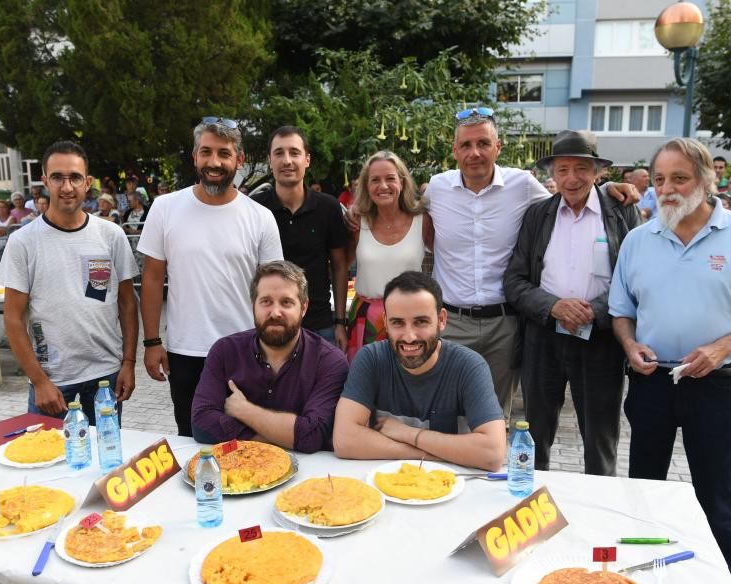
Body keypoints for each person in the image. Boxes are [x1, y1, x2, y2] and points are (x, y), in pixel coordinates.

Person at [609, 137, 731, 580]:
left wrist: (720, 348)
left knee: (715, 489)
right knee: (644, 486)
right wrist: (630, 346)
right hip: (651, 381)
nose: (667, 189)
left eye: (680, 178)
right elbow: (621, 313)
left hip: (716, 384)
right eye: (661, 179)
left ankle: (721, 579)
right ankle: (638, 570)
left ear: (707, 181)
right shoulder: (637, 240)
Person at [422, 108, 638, 419]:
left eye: (483, 143)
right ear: (454, 150)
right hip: (451, 323)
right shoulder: (437, 188)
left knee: (492, 420)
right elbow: (395, 206)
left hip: (504, 326)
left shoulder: (522, 184)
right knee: (443, 414)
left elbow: (569, 195)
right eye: (466, 145)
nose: (475, 153)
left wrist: (605, 189)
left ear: (498, 147)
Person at [504, 131, 639, 476]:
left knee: (600, 438)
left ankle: (597, 513)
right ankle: (532, 507)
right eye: (562, 169)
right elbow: (515, 281)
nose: (571, 178)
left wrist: (594, 310)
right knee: (535, 435)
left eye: (581, 168)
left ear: (597, 172)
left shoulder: (622, 213)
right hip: (544, 339)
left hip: (601, 342)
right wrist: (552, 306)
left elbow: (638, 279)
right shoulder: (538, 215)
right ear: (552, 173)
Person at [138, 117, 283, 436]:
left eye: (224, 153)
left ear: (239, 160)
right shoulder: (165, 208)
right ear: (194, 157)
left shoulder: (260, 218)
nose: (214, 162)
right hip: (186, 352)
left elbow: (275, 289)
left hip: (247, 352)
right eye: (206, 152)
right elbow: (151, 278)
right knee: (192, 439)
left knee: (249, 441)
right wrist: (151, 342)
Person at [0, 140, 139, 424]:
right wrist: (39, 381)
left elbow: (126, 303)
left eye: (75, 177)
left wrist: (128, 363)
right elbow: (13, 318)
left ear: (87, 182)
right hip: (54, 383)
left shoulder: (111, 235)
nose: (67, 187)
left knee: (106, 462)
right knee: (46, 464)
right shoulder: (23, 241)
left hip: (105, 378)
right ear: (44, 182)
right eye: (58, 178)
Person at [333, 271, 507, 471]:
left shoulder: (469, 366)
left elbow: (492, 454)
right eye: (397, 323)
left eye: (421, 322)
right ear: (386, 322)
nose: (409, 337)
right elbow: (344, 439)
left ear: (441, 319)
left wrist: (409, 434)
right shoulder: (371, 359)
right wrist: (428, 454)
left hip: (453, 485)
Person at [191, 261, 348, 451]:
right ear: (253, 306)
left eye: (286, 302)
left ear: (304, 308)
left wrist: (245, 411)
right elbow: (201, 424)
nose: (275, 312)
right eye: (266, 302)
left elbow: (312, 436)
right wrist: (283, 437)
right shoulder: (224, 351)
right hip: (238, 471)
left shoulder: (330, 362)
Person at [252, 126, 349, 350]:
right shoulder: (254, 208)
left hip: (319, 324)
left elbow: (339, 265)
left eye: (294, 153)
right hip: (269, 324)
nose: (287, 160)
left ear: (307, 159)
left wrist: (340, 322)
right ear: (269, 160)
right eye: (279, 153)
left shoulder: (328, 207)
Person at [345, 151, 427, 361]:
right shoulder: (357, 222)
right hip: (366, 319)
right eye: (375, 180)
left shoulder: (423, 219)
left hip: (411, 316)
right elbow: (341, 264)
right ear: (366, 186)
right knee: (367, 386)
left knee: (409, 382)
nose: (383, 186)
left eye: (390, 178)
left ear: (402, 181)